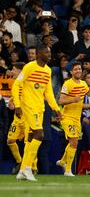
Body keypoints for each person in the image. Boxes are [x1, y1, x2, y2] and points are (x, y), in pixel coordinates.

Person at [12, 45, 61, 181]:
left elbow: (49, 93)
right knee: (40, 134)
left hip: (40, 108)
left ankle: (22, 170)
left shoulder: (48, 70)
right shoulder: (29, 67)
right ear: (39, 54)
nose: (49, 54)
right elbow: (16, 85)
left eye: (50, 52)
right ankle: (28, 168)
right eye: (46, 52)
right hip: (28, 106)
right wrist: (17, 105)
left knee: (30, 138)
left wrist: (56, 108)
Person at [6, 63, 25, 172]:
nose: (11, 71)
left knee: (30, 142)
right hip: (17, 119)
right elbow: (15, 98)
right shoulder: (15, 84)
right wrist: (12, 104)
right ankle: (20, 161)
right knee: (10, 140)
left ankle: (33, 166)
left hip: (27, 119)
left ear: (19, 72)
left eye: (13, 69)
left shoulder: (25, 83)